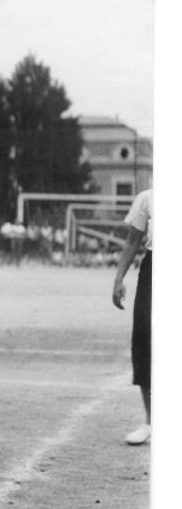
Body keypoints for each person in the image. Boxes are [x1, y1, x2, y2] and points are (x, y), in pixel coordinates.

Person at [113, 188, 152, 445]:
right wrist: (118, 279)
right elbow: (132, 241)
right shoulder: (147, 198)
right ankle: (151, 421)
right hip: (154, 267)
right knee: (143, 337)